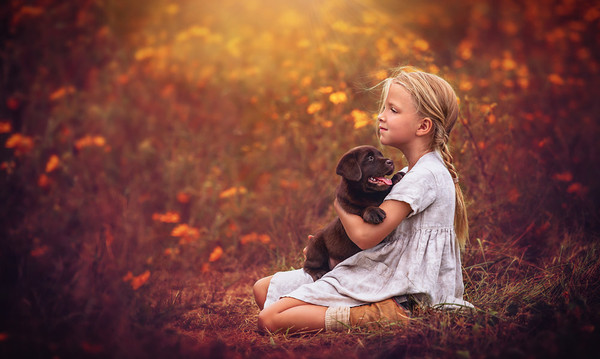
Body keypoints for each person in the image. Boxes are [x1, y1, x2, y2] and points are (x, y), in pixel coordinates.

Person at [253, 66, 473, 333]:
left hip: (400, 286)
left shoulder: (425, 175)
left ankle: (376, 315)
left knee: (270, 319)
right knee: (263, 290)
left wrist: (339, 204)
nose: (381, 116)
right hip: (385, 270)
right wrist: (328, 248)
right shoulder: (408, 173)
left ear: (423, 126)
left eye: (393, 110)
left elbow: (365, 236)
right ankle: (352, 309)